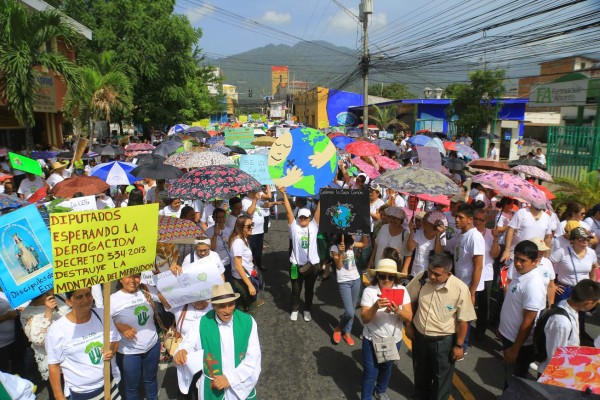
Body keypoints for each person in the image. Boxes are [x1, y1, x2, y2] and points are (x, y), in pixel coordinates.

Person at [406, 253, 476, 400]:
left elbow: (464, 321)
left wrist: (459, 346)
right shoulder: (421, 278)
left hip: (443, 342)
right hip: (419, 337)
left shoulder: (460, 289)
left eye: (437, 275)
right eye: (430, 271)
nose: (431, 277)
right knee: (420, 373)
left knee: (441, 379)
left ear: (448, 274)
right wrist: (409, 325)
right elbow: (409, 301)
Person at [173, 283, 261, 400]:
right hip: (212, 388)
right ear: (213, 306)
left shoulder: (248, 322)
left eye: (231, 304)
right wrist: (182, 351)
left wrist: (230, 378)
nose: (227, 310)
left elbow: (254, 358)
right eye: (222, 306)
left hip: (239, 386)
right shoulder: (201, 323)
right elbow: (189, 344)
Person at [46, 288, 121, 400]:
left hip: (109, 384)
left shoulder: (103, 315)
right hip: (81, 393)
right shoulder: (57, 329)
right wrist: (59, 397)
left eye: (88, 295)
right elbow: (54, 366)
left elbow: (114, 341)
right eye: (79, 297)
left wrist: (110, 350)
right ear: (68, 302)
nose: (85, 300)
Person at [360, 259, 412, 400]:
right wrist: (376, 306)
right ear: (377, 276)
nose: (386, 280)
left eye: (390, 277)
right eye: (382, 276)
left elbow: (409, 317)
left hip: (392, 340)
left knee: (386, 367)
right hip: (371, 339)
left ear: (395, 277)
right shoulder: (369, 291)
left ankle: (381, 390)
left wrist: (398, 311)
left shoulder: (402, 290)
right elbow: (364, 319)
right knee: (370, 373)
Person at [498, 240, 547, 388]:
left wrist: (515, 349)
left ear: (535, 262)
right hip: (509, 337)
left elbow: (528, 321)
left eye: (523, 261)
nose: (518, 263)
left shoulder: (533, 285)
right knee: (509, 376)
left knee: (515, 382)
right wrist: (502, 328)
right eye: (517, 258)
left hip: (518, 344)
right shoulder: (522, 275)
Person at [111, 274, 165, 400]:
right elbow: (104, 322)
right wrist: (120, 326)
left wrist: (172, 274)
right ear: (120, 279)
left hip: (152, 346)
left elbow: (167, 297)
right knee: (132, 387)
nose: (132, 280)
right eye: (127, 277)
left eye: (136, 276)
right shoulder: (113, 299)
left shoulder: (147, 289)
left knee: (151, 380)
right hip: (129, 352)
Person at [538, 279, 600, 374]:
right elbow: (555, 355)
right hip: (553, 373)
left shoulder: (567, 304)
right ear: (588, 303)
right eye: (595, 304)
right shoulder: (562, 323)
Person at [550, 227, 598, 344]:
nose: (585, 242)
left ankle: (575, 344)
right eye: (582, 239)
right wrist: (553, 284)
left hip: (582, 291)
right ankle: (555, 344)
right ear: (573, 240)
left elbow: (594, 267)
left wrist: (592, 284)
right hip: (565, 290)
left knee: (579, 320)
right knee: (561, 318)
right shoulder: (562, 251)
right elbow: (547, 264)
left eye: (587, 239)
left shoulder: (591, 253)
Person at [279, 186, 321, 322]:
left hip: (313, 265)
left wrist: (324, 193)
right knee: (296, 290)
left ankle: (307, 309)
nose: (303, 220)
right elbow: (288, 210)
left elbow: (320, 208)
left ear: (310, 218)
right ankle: (295, 309)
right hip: (295, 265)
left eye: (305, 217)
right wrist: (284, 194)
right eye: (301, 217)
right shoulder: (294, 226)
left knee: (309, 290)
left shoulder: (314, 226)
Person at [19, 290, 70, 397]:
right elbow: (38, 339)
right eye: (50, 287)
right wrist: (48, 312)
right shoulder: (27, 313)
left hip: (73, 357)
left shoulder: (59, 298)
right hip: (55, 366)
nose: (54, 287)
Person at [166, 298, 212, 399]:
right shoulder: (180, 307)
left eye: (201, 297)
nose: (198, 300)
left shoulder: (214, 307)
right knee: (186, 386)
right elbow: (163, 298)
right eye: (194, 297)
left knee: (203, 387)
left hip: (208, 355)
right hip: (185, 357)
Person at [330, 234, 361, 346]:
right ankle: (339, 328)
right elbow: (338, 266)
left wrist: (366, 232)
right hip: (344, 282)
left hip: (356, 280)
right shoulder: (334, 248)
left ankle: (347, 332)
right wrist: (341, 253)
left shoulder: (351, 244)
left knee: (352, 309)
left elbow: (365, 244)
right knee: (350, 312)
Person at [229, 215, 259, 315]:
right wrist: (250, 285)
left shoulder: (243, 239)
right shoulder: (238, 242)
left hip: (244, 277)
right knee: (252, 307)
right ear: (241, 227)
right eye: (249, 226)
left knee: (241, 307)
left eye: (252, 224)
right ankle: (249, 328)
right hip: (242, 280)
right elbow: (238, 266)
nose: (251, 227)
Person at [368, 207, 410, 272]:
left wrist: (405, 269)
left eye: (396, 218)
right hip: (378, 266)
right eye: (391, 217)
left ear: (401, 220)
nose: (392, 220)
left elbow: (408, 253)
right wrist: (371, 259)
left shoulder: (405, 234)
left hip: (393, 269)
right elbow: (376, 245)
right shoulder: (383, 227)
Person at [406, 210, 446, 276]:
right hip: (415, 272)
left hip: (430, 274)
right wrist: (411, 230)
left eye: (425, 221)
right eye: (423, 220)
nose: (422, 222)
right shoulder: (418, 233)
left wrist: (439, 235)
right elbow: (410, 248)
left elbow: (438, 253)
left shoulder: (441, 236)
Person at [206, 208, 233, 282]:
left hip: (228, 262)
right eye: (218, 217)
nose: (221, 219)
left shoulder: (229, 230)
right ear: (214, 218)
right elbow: (211, 249)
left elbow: (232, 247)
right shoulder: (208, 231)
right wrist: (215, 235)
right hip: (216, 264)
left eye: (223, 217)